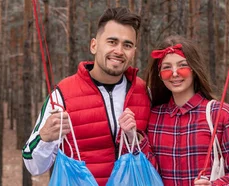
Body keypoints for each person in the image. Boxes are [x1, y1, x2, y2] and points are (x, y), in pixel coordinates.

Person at [21, 7, 152, 186]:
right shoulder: (63, 94)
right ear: (94, 45)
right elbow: (33, 166)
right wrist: (44, 138)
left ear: (134, 52)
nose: (119, 51)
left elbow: (157, 155)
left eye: (127, 45)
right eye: (112, 42)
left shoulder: (144, 92)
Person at [144, 35, 229, 186]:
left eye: (182, 65)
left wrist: (215, 185)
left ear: (194, 69)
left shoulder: (221, 114)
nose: (175, 73)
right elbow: (147, 171)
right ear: (159, 75)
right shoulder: (153, 117)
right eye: (166, 67)